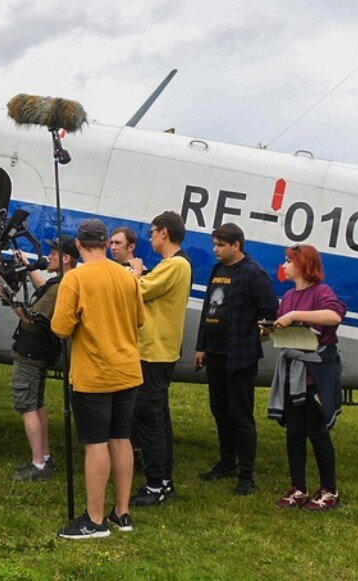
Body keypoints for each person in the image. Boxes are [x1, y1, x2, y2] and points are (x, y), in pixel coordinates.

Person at [51, 219, 145, 539]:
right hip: (128, 369)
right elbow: (139, 320)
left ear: (78, 245)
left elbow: (61, 328)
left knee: (96, 443)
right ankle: (122, 512)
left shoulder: (74, 278)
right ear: (106, 245)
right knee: (121, 438)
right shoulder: (128, 277)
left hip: (95, 373)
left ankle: (94, 520)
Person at [194, 223, 278, 495]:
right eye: (214, 244)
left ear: (236, 245)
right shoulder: (218, 271)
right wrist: (201, 346)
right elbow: (209, 310)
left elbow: (270, 312)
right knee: (220, 411)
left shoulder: (254, 273)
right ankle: (226, 463)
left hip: (240, 358)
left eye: (220, 244)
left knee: (240, 416)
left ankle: (246, 475)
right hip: (215, 355)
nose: (215, 249)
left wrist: (252, 336)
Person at [264, 244, 346, 511]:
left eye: (289, 261)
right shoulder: (287, 296)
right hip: (291, 374)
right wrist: (268, 330)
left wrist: (295, 315)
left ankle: (329, 490)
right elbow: (284, 329)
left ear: (304, 265)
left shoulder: (321, 292)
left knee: (317, 432)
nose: (284, 265)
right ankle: (298, 487)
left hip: (314, 373)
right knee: (295, 432)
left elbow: (335, 315)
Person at [127, 211, 192, 506]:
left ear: (164, 233)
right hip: (156, 351)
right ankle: (163, 479)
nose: (150, 236)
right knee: (158, 417)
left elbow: (136, 290)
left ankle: (156, 485)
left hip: (155, 353)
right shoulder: (172, 265)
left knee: (149, 417)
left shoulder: (176, 265)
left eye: (152, 231)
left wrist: (135, 271)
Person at [5, 235, 78, 481]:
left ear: (66, 258)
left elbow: (32, 318)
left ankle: (37, 464)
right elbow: (43, 289)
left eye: (55, 253)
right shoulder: (62, 283)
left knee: (26, 406)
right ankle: (44, 457)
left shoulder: (60, 287)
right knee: (37, 404)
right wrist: (26, 266)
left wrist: (7, 297)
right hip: (40, 354)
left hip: (30, 352)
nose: (50, 256)